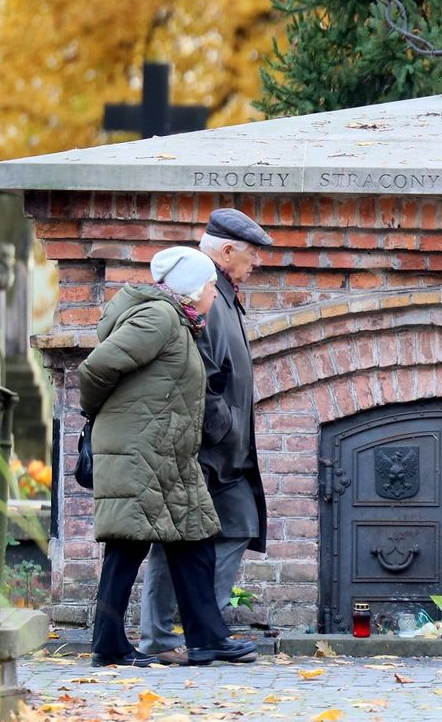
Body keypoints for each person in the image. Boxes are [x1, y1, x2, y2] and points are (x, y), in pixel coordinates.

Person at [80, 245, 257, 667]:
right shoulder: (159, 317)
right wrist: (99, 414)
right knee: (127, 547)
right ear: (193, 290)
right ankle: (107, 646)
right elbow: (96, 368)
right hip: (142, 450)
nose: (216, 295)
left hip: (166, 453)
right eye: (211, 287)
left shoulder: (179, 321)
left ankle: (207, 638)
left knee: (194, 538)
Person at [139, 209, 272, 664]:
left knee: (239, 524)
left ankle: (206, 632)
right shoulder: (204, 288)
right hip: (205, 446)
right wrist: (225, 428)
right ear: (227, 250)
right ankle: (159, 638)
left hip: (226, 448)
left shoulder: (227, 292)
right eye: (251, 254)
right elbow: (202, 373)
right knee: (172, 537)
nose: (256, 263)